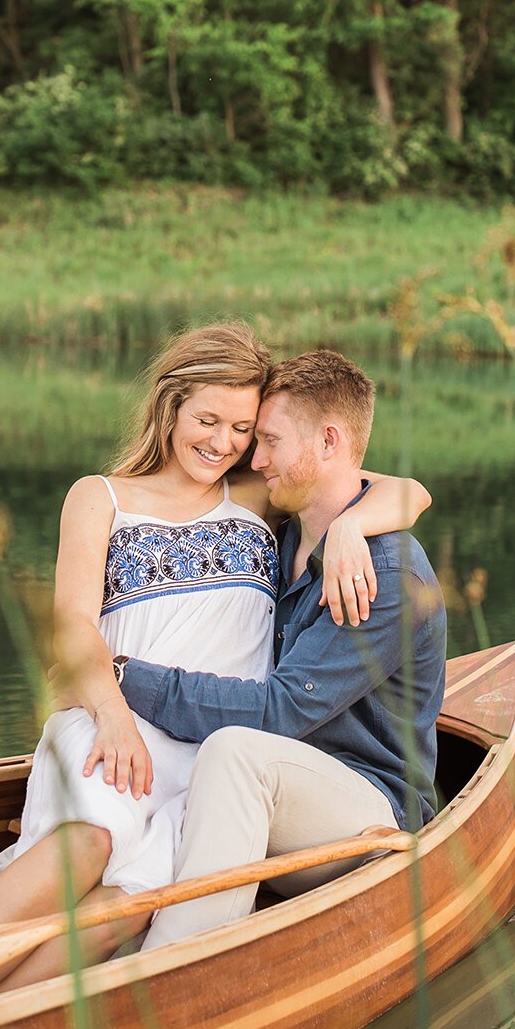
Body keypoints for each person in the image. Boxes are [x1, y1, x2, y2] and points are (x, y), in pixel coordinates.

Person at [0, 323, 431, 1029]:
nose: (225, 443)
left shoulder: (257, 498)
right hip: (117, 715)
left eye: (244, 429)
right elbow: (73, 630)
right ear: (169, 406)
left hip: (211, 751)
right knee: (87, 842)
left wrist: (352, 526)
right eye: (208, 420)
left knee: (124, 910)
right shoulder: (102, 496)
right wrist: (113, 711)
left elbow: (395, 486)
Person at [114, 348, 448, 952]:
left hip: (370, 812)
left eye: (268, 441)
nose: (253, 458)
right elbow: (406, 490)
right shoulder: (285, 527)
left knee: (237, 754)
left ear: (327, 440)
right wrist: (347, 523)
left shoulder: (387, 575)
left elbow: (278, 713)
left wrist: (125, 677)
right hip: (279, 790)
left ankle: (173, 974)